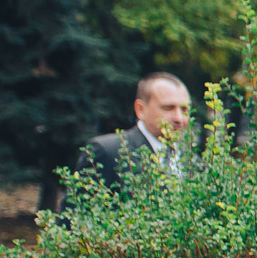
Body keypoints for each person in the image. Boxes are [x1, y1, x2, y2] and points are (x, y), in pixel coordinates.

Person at [70, 72, 191, 200]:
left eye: (184, 110)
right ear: (140, 109)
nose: (179, 118)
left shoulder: (194, 162)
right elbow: (75, 216)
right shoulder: (108, 152)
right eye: (168, 108)